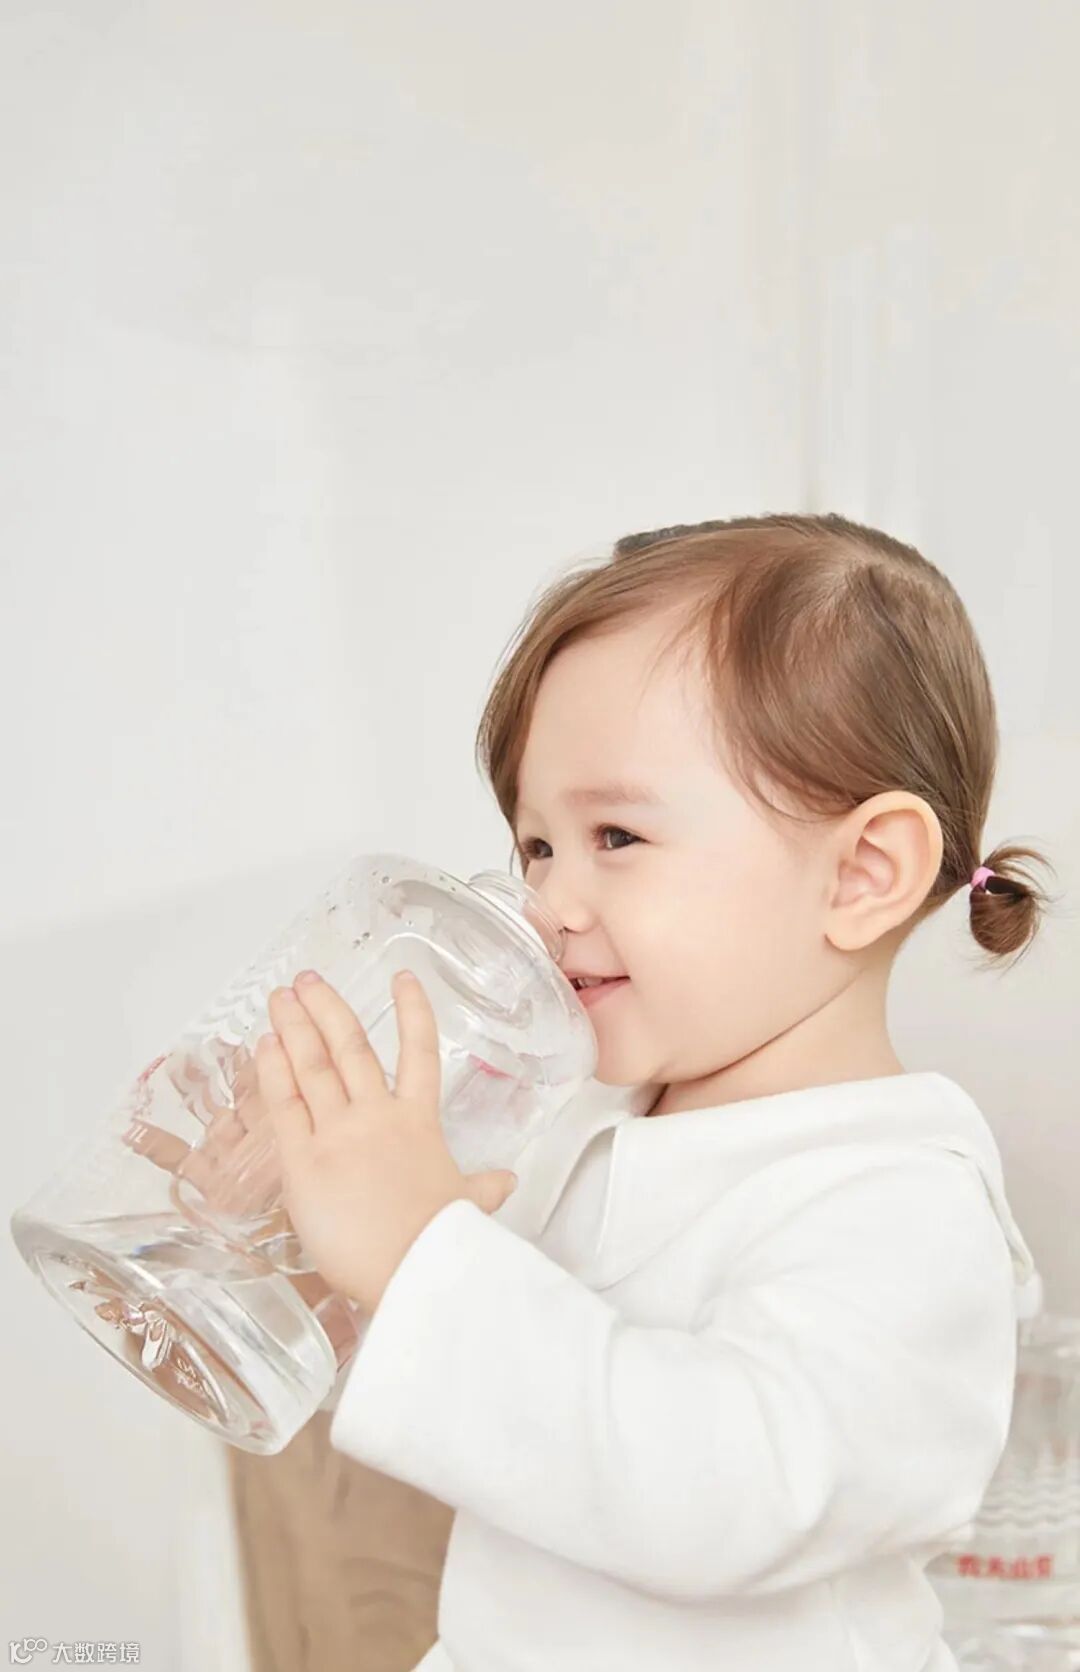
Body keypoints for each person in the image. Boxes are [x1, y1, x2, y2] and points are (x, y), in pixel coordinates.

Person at [261, 513, 1061, 1671]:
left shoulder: (902, 1206)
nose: (549, 905)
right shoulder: (586, 1119)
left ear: (862, 872)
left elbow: (722, 1492)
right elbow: (482, 1393)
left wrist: (416, 1255)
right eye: (537, 846)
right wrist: (297, 1223)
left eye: (617, 835)